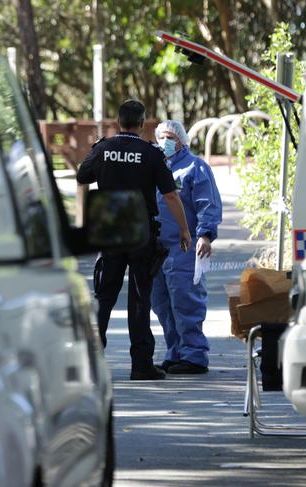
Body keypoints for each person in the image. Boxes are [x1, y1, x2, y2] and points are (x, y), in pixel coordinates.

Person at [76, 100, 192, 381]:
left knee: (104, 296)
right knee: (140, 298)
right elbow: (170, 195)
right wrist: (184, 229)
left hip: (109, 231)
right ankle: (141, 364)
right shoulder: (150, 153)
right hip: (141, 232)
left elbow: (82, 176)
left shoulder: (103, 148)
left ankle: (90, 361)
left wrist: (84, 219)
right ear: (142, 125)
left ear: (118, 121)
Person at [151, 119, 222, 374]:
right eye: (161, 137)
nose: (165, 142)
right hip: (156, 249)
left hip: (184, 247)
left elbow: (207, 203)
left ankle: (194, 355)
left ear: (181, 140)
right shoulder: (154, 167)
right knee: (162, 304)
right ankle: (175, 352)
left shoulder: (195, 168)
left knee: (186, 301)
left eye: (170, 137)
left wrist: (205, 235)